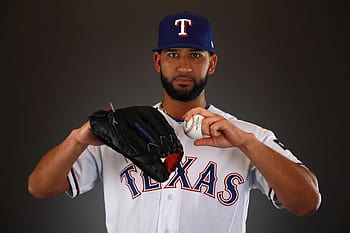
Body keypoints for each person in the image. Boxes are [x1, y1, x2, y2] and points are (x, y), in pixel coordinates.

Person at [28, 12, 321, 233]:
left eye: (196, 55)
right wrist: (78, 139)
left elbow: (307, 202)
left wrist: (246, 142)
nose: (184, 66)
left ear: (212, 63)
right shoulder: (119, 133)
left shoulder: (248, 136)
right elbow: (40, 188)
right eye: (173, 55)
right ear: (158, 62)